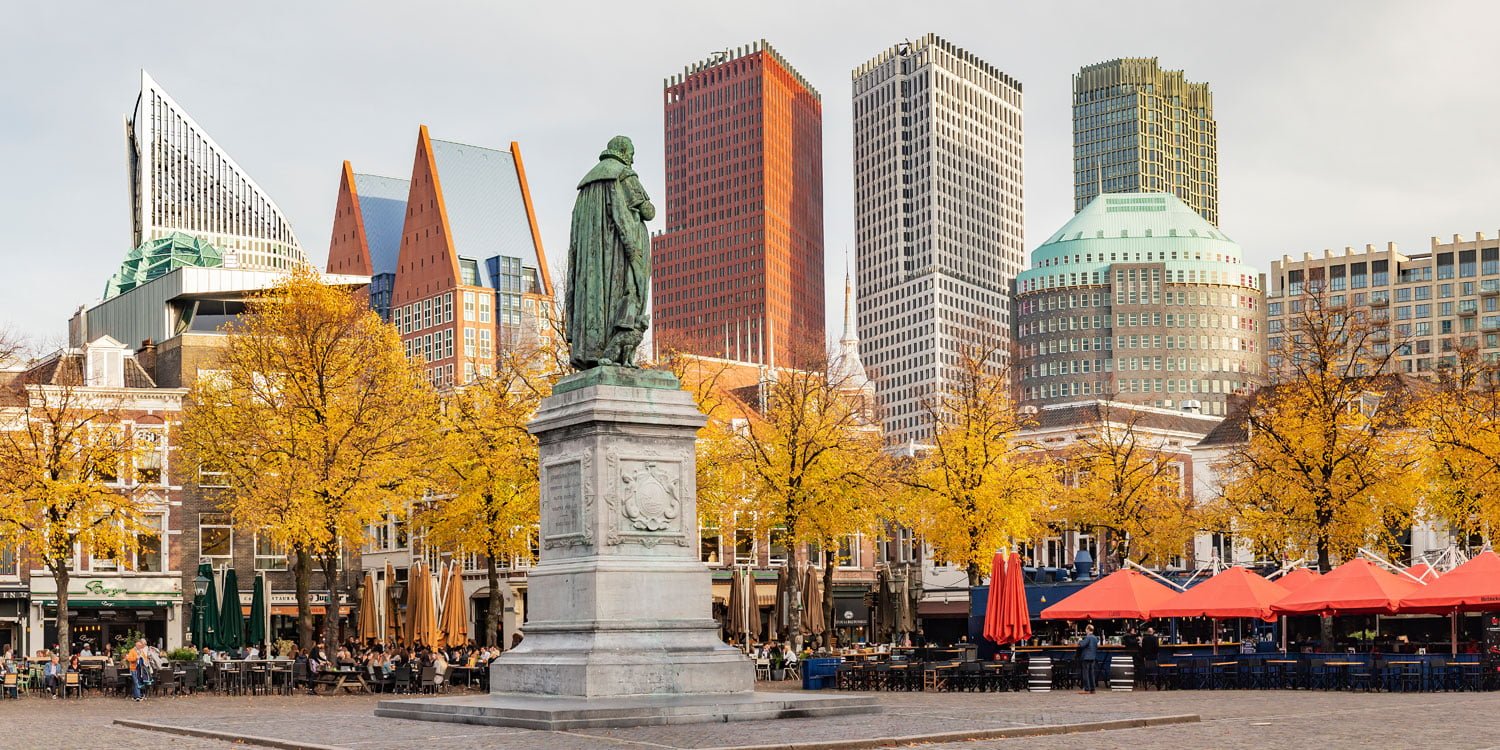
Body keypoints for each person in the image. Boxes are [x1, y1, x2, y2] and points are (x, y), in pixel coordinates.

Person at [1076, 625, 1100, 694]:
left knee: (1085, 673)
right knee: (1091, 673)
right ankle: (1093, 689)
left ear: (1088, 629)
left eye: (1086, 629)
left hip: (1086, 657)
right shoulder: (1095, 638)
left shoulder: (1088, 637)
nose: (1085, 631)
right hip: (1093, 657)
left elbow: (1082, 645)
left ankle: (1086, 689)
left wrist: (1080, 641)